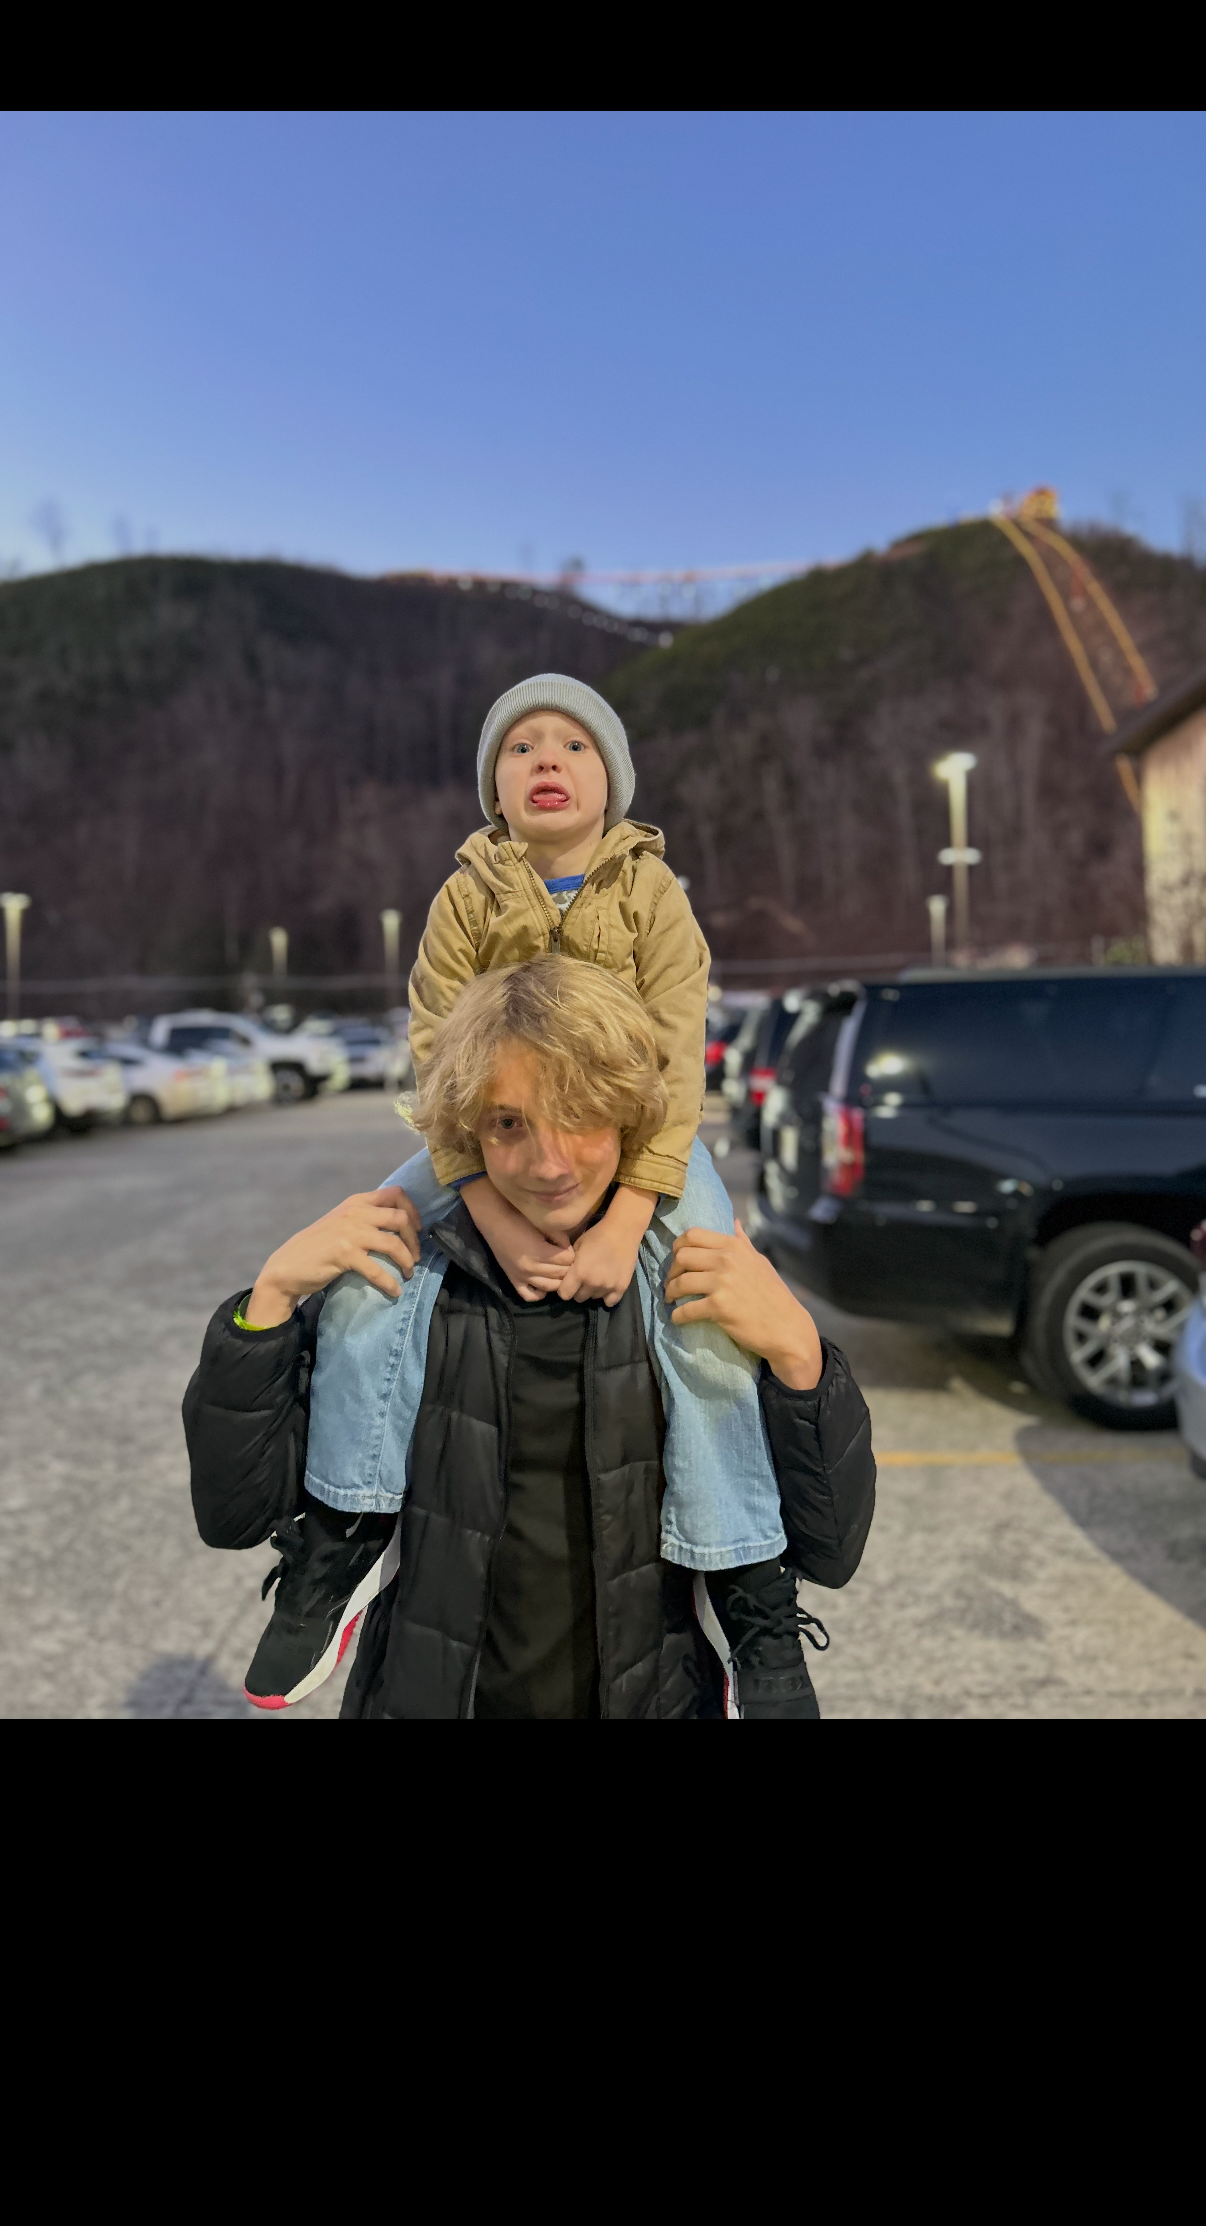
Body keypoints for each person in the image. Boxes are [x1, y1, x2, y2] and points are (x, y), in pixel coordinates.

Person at [240, 672, 815, 1702]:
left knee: (712, 1317)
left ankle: (747, 1584)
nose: (547, 758)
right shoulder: (465, 896)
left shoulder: (652, 893)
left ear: (612, 780)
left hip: (638, 1142)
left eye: (574, 744)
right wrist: (490, 1213)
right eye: (521, 746)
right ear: (495, 788)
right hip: (487, 1137)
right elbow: (435, 1058)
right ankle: (343, 1531)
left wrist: (631, 1215)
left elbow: (679, 1056)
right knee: (373, 1271)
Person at [183, 960, 875, 1719]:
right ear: (467, 1129)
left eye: (578, 1113)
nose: (549, 1164)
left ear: (629, 1113)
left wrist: (800, 1356)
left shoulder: (695, 1283)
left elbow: (832, 1550)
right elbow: (235, 1517)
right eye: (509, 1123)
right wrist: (270, 1302)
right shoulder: (403, 1286)